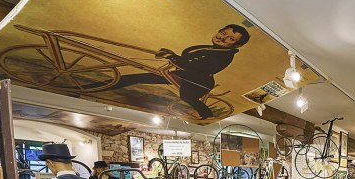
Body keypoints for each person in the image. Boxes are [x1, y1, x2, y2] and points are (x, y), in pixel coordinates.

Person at [84, 24, 250, 120]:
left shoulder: (224, 55)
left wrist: (173, 57)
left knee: (186, 97)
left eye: (231, 39)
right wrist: (173, 56)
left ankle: (206, 114)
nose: (222, 37)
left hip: (197, 82)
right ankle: (90, 87)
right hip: (184, 74)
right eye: (223, 33)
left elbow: (198, 67)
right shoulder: (211, 48)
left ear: (236, 45)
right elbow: (190, 60)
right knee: (135, 77)